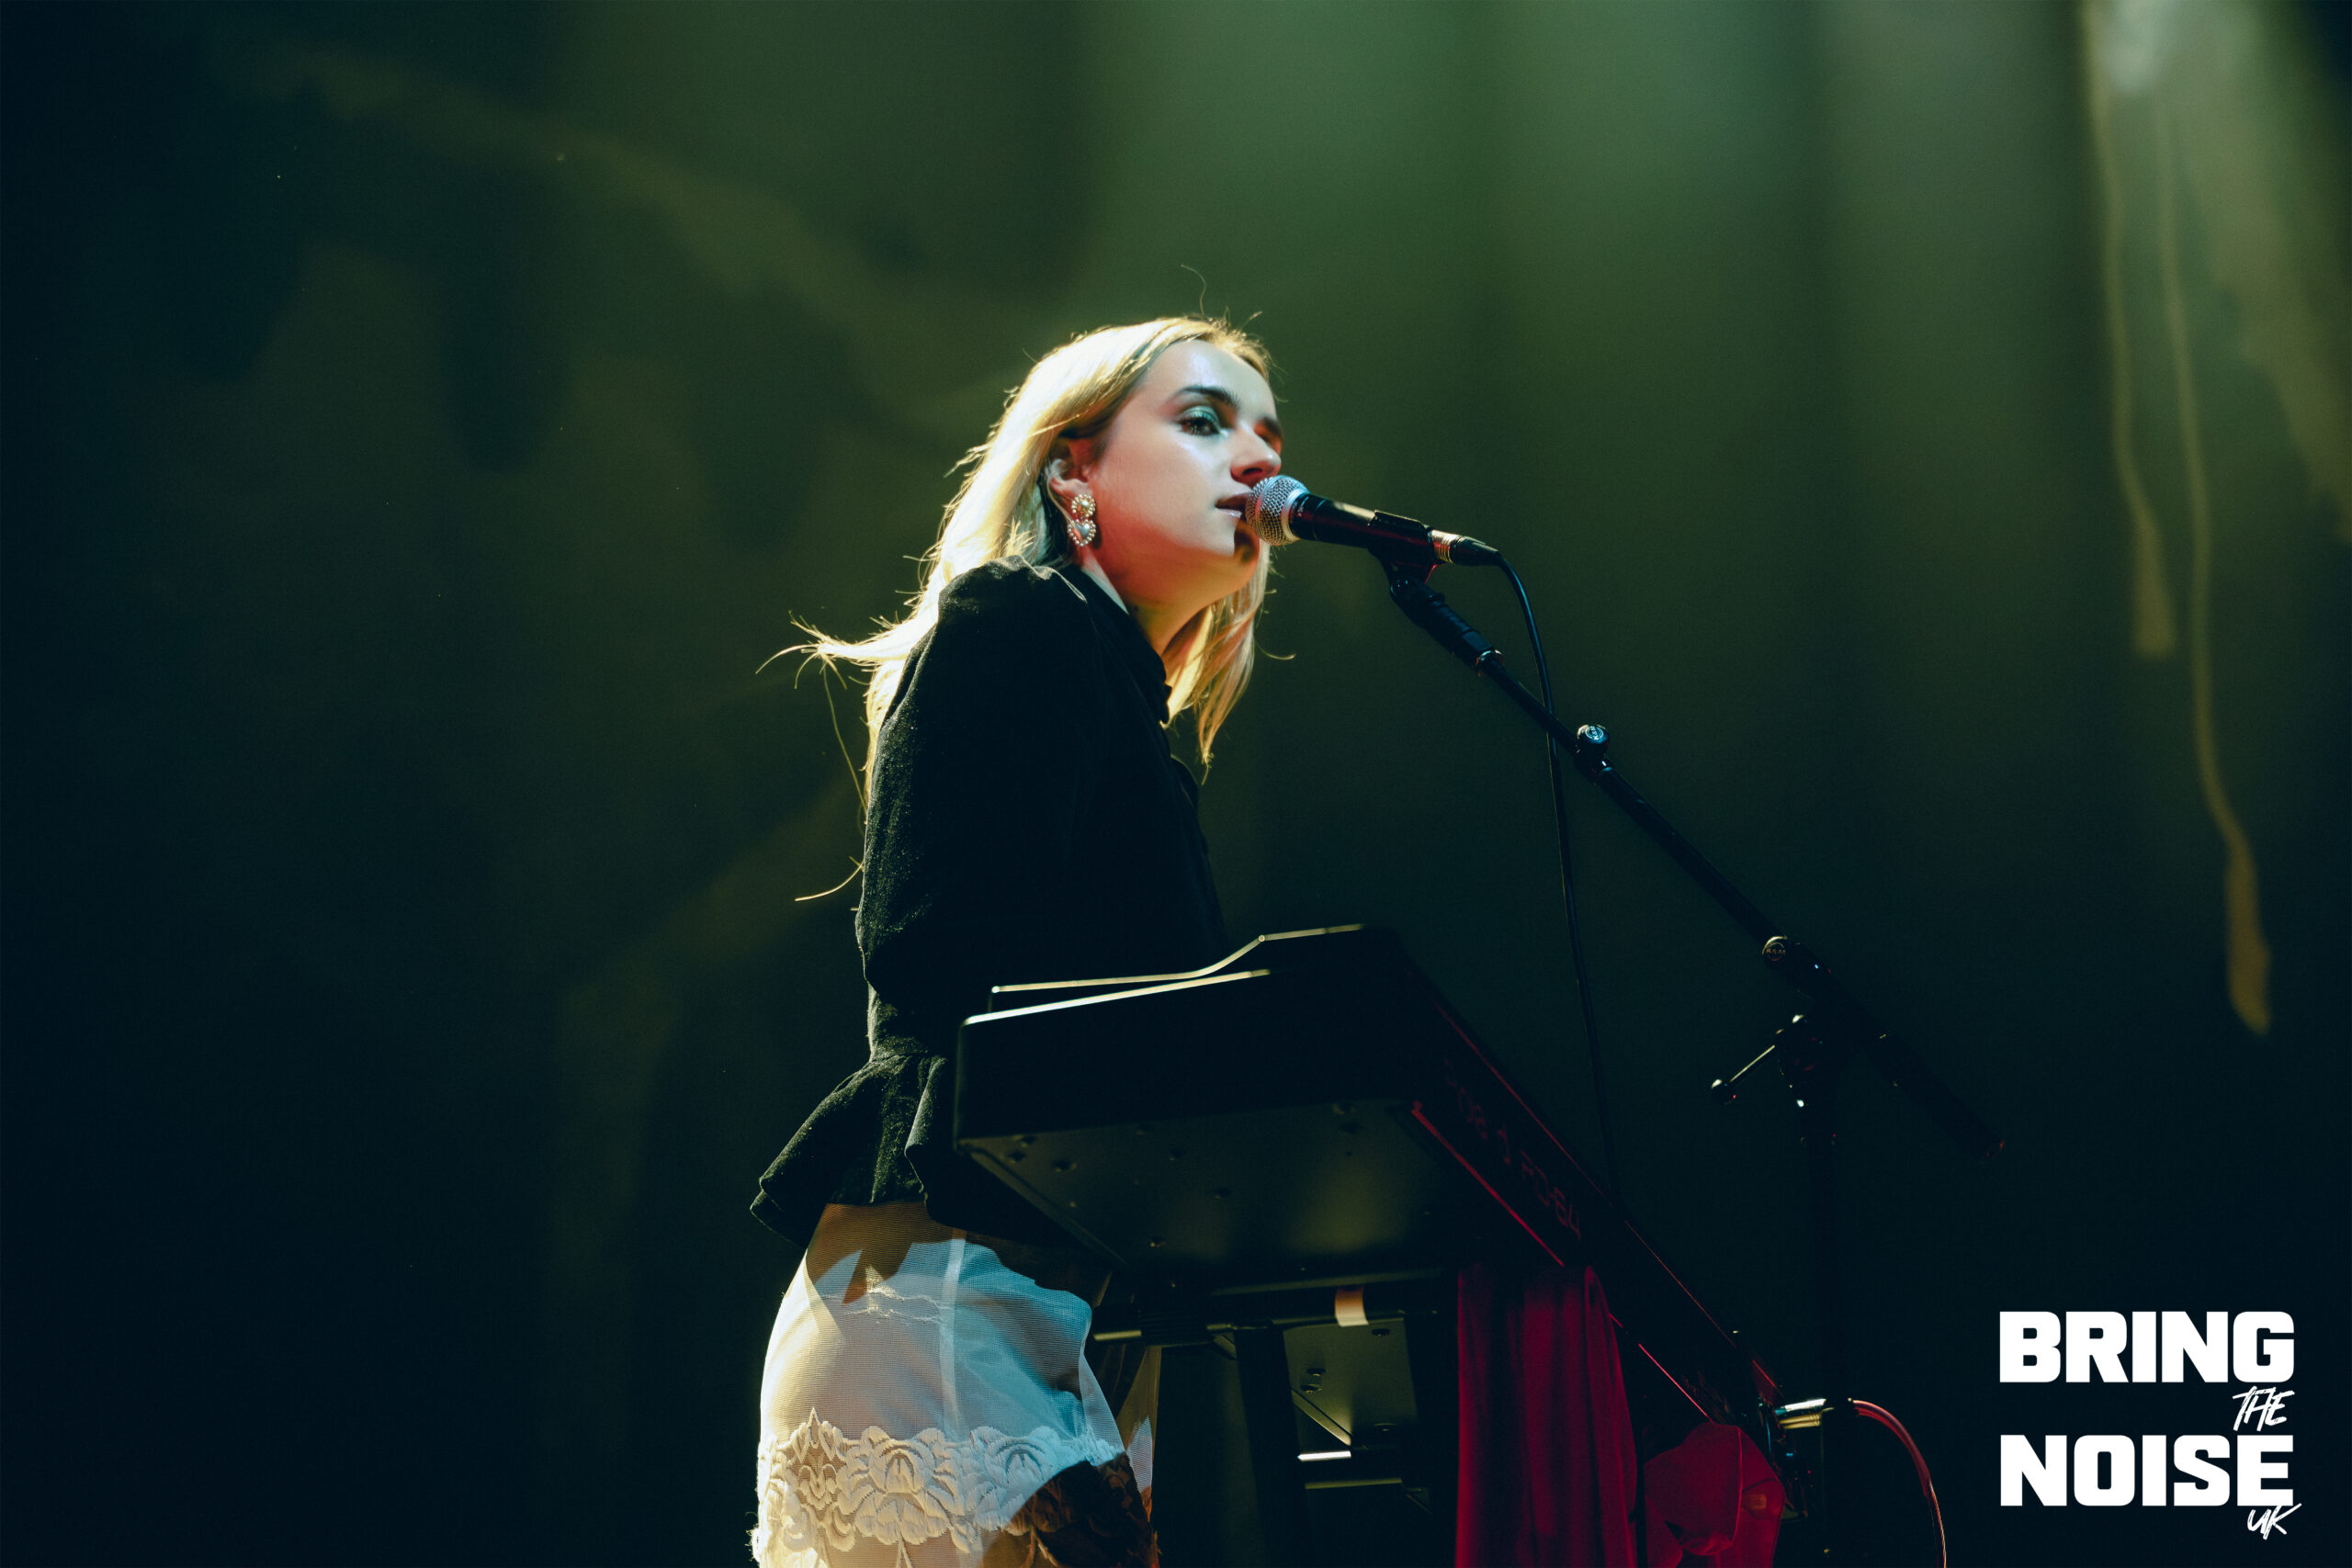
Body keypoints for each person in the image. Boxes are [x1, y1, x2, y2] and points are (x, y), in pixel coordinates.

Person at [747, 318, 1283, 1568]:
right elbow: (932, 951)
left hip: (1060, 1304)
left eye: (1269, 433)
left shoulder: (1130, 714)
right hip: (953, 1299)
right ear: (1071, 471)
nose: (1260, 460)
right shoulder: (1020, 621)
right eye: (1205, 420)